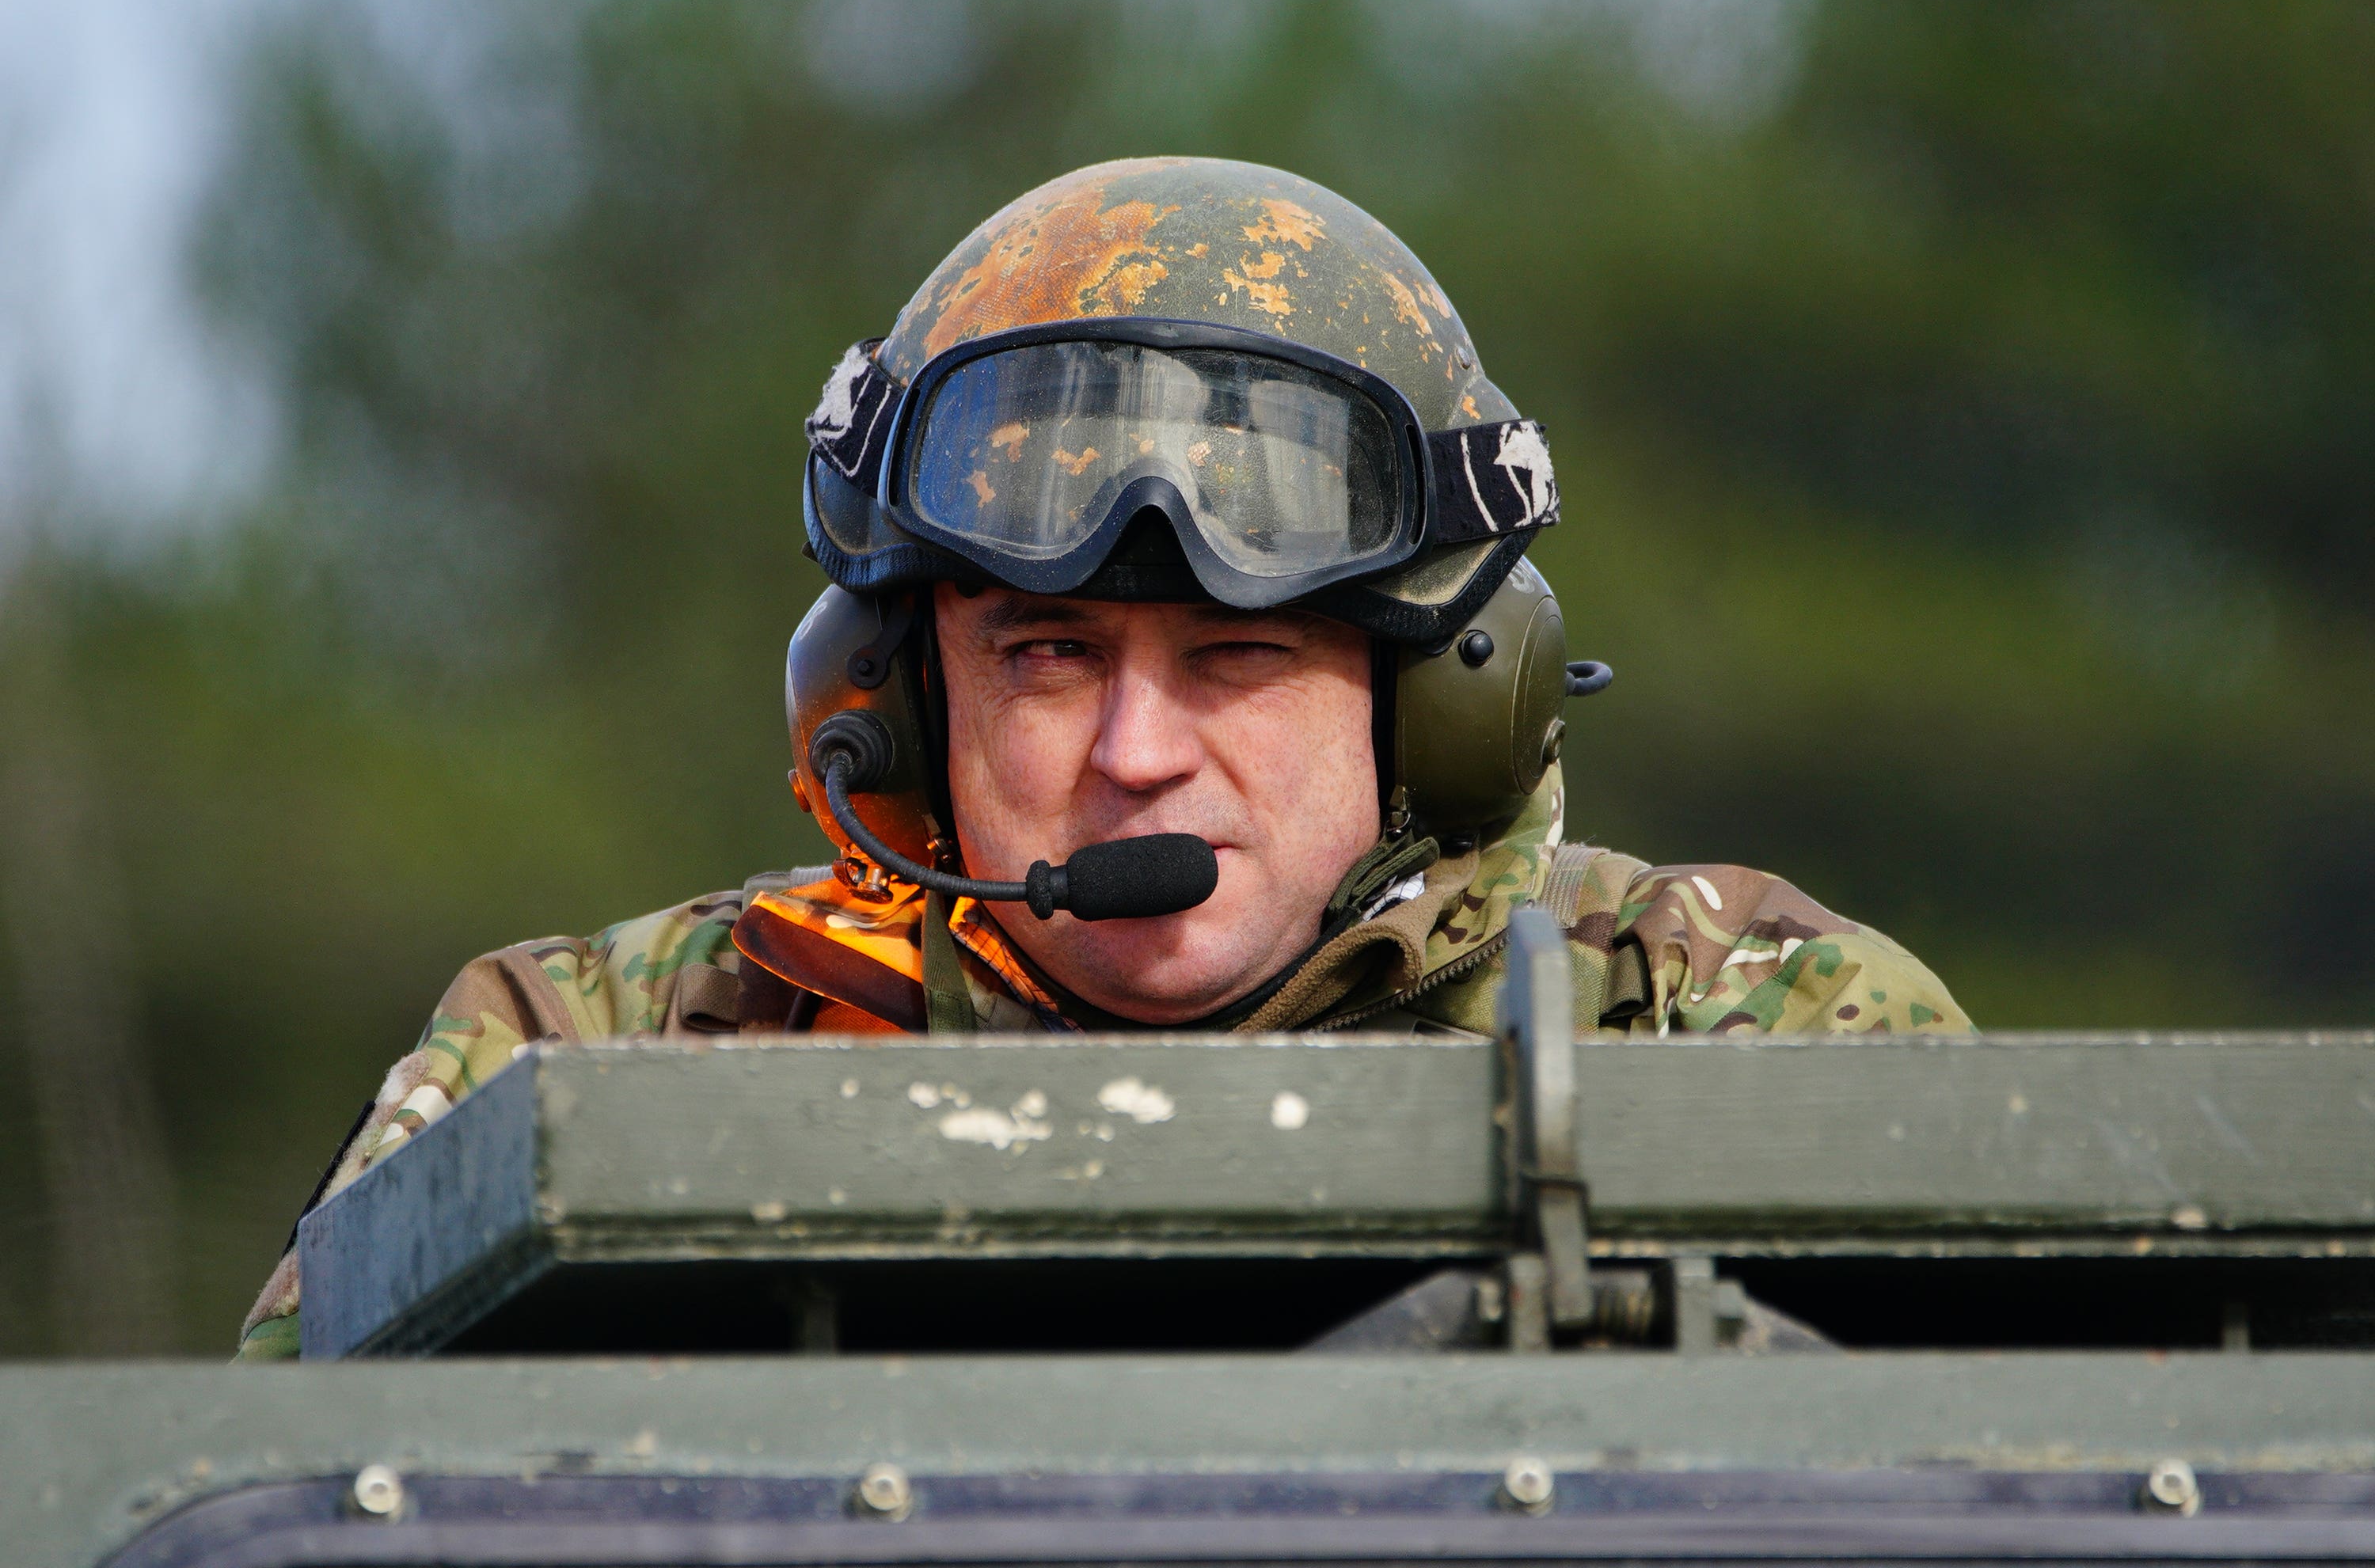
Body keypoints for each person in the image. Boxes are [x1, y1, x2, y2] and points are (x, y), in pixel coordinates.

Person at [236, 158, 1966, 1361]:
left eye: (1238, 659)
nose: (1139, 754)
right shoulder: (600, 1060)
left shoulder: (1731, 1023)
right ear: (896, 695)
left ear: (1443, 698)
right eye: (1049, 657)